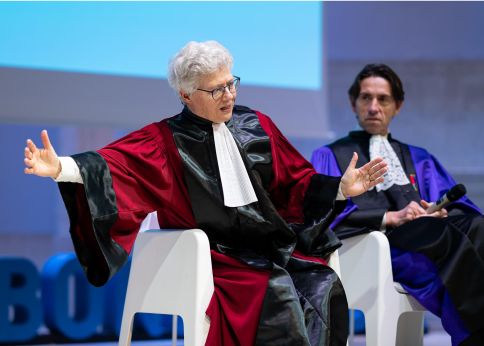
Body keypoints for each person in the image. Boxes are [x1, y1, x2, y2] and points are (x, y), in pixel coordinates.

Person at [24, 41, 387, 345]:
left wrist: (340, 187)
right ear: (185, 94)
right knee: (273, 289)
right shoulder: (164, 141)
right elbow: (111, 165)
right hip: (213, 254)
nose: (228, 96)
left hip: (269, 243)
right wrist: (59, 168)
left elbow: (295, 181)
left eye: (232, 84)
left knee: (320, 282)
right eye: (216, 90)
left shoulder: (257, 125)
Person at [311, 63, 484, 346]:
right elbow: (319, 213)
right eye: (366, 98)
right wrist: (390, 217)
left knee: (477, 226)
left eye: (383, 99)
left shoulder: (419, 157)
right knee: (442, 235)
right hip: (374, 246)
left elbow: (458, 203)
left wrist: (440, 210)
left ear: (398, 106)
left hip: (428, 235)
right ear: (353, 103)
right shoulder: (330, 155)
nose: (374, 107)